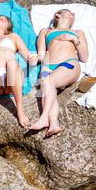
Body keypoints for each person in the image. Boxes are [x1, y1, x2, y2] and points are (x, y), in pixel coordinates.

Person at [28, 9, 89, 137]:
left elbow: (84, 57)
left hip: (69, 63)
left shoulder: (77, 33)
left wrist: (73, 39)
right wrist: (35, 59)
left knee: (48, 82)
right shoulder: (45, 31)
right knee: (48, 89)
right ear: (58, 15)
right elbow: (41, 53)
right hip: (48, 64)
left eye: (74, 14)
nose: (73, 14)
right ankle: (54, 124)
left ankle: (44, 118)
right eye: (69, 12)